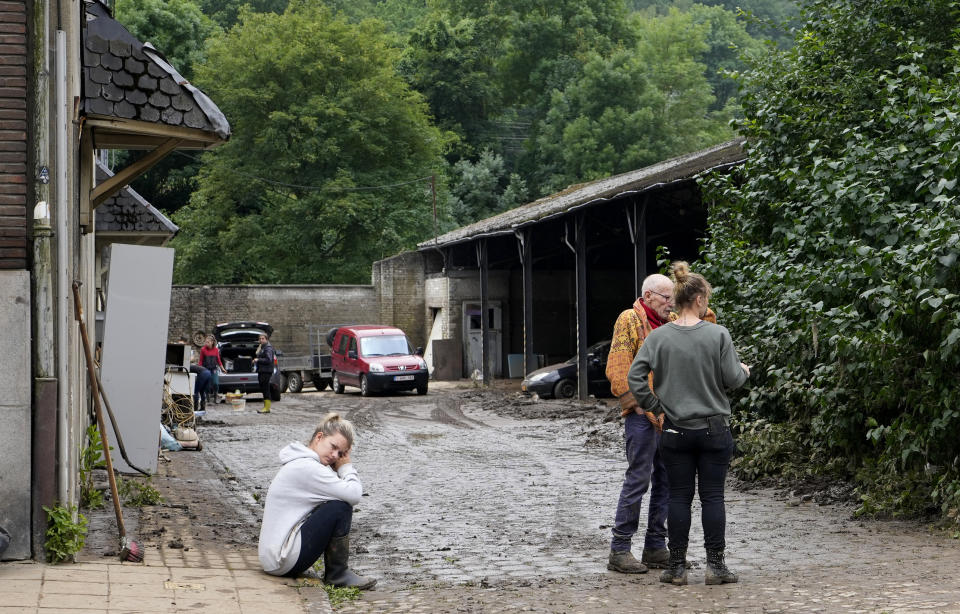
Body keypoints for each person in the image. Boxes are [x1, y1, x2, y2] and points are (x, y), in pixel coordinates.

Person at [628, 261, 750, 586]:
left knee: (678, 496)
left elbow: (634, 377)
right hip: (713, 429)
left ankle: (676, 568)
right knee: (712, 497)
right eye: (706, 297)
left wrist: (655, 406)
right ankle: (716, 567)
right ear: (698, 299)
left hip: (674, 430)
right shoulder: (718, 334)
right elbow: (733, 379)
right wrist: (744, 370)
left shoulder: (658, 338)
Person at [604, 273, 676, 573]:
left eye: (673, 298)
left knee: (666, 481)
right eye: (665, 297)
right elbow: (618, 367)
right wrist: (638, 405)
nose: (670, 303)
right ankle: (620, 550)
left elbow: (705, 318)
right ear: (648, 297)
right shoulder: (629, 320)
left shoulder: (671, 323)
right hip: (642, 417)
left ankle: (656, 547)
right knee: (638, 480)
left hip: (668, 415)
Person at [258, 412, 376, 589]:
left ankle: (339, 573)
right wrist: (346, 467)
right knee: (340, 507)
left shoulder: (302, 462)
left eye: (341, 453)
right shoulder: (309, 468)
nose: (335, 456)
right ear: (319, 437)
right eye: (333, 447)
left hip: (273, 558)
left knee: (336, 502)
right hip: (282, 560)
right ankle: (338, 574)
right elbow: (353, 494)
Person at [199, 335, 225, 404]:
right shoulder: (203, 349)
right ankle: (208, 399)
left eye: (208, 342)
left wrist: (222, 368)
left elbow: (218, 360)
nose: (206, 343)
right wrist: (199, 370)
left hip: (214, 369)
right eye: (206, 342)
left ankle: (215, 398)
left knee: (215, 383)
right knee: (207, 385)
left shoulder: (216, 350)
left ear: (212, 342)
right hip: (205, 369)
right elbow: (201, 361)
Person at [255, 332, 275, 414]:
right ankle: (266, 407)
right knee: (263, 388)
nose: (261, 340)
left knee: (266, 389)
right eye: (260, 339)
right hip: (262, 371)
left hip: (266, 371)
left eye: (263, 338)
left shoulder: (268, 348)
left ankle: (267, 408)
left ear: (266, 339)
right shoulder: (262, 347)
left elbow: (268, 359)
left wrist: (258, 360)